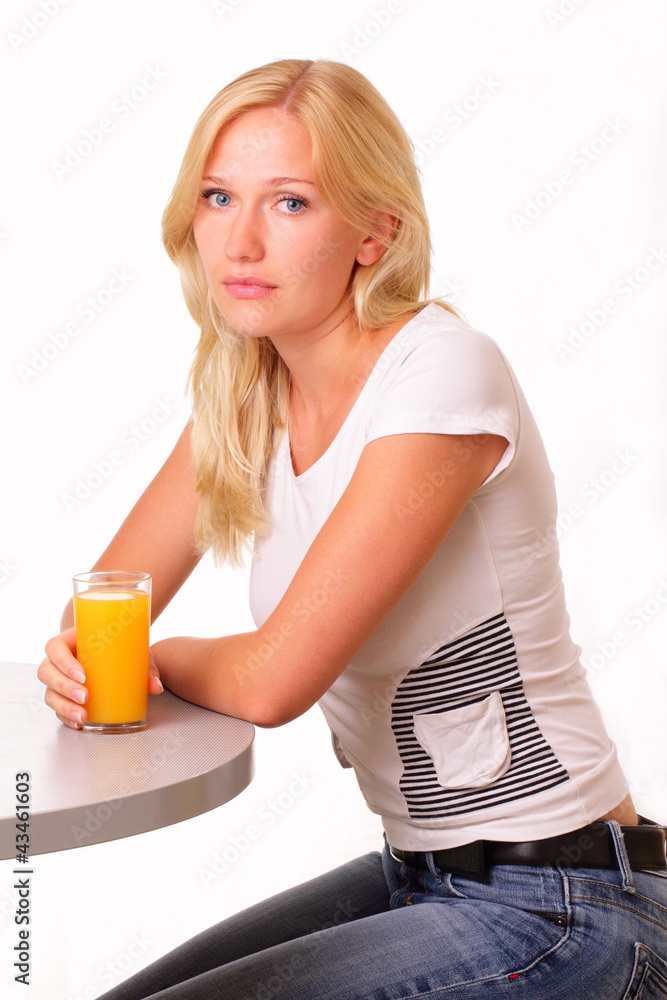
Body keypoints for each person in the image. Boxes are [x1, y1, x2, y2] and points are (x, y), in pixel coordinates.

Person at [38, 58, 667, 999]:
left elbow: (274, 679)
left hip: (567, 900)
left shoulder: (442, 375)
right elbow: (101, 611)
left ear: (376, 232)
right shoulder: (246, 400)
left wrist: (155, 659)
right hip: (419, 876)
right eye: (217, 197)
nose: (240, 242)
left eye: (289, 204)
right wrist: (87, 657)